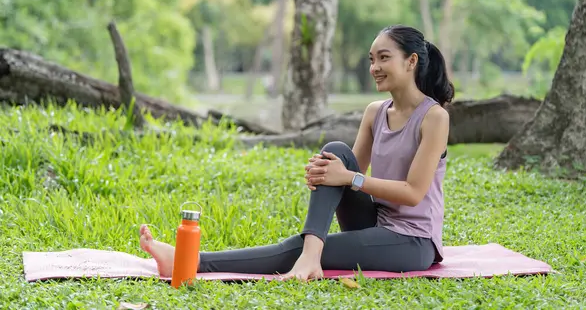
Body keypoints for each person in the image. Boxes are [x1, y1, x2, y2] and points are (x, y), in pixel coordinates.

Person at [139, 24, 454, 281]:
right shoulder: (375, 111)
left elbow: (413, 193)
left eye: (384, 58)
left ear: (411, 61)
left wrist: (346, 177)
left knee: (302, 246)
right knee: (334, 151)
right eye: (371, 59)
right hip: (374, 224)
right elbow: (348, 172)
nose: (374, 67)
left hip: (413, 242)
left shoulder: (434, 117)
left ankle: (191, 261)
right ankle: (310, 256)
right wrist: (328, 177)